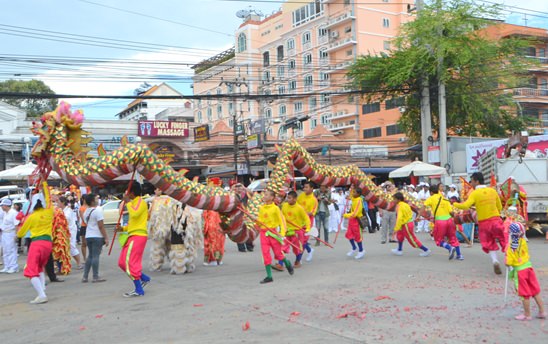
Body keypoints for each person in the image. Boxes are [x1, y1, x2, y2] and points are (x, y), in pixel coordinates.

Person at [454, 172, 507, 275]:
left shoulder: (475, 193)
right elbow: (499, 207)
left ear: (477, 181)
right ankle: (511, 263)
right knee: (504, 240)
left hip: (484, 223)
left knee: (489, 243)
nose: (471, 183)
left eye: (472, 181)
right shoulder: (492, 191)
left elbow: (465, 206)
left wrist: (454, 204)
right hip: (496, 220)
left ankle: (495, 261)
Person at [16, 182, 53, 304]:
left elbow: (20, 234)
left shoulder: (30, 217)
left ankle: (41, 295)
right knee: (40, 268)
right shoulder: (48, 212)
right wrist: (44, 182)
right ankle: (42, 290)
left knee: (31, 271)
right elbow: (49, 197)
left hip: (36, 244)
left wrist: (20, 224)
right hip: (48, 244)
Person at [115, 183, 151, 297]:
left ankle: (139, 289)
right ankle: (144, 278)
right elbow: (133, 222)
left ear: (132, 192)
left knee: (130, 263)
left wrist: (128, 203)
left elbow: (135, 214)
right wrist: (122, 228)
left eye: (127, 191)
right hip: (132, 235)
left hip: (138, 236)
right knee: (122, 263)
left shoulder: (141, 202)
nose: (126, 193)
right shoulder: (135, 203)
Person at [506, 222, 546, 321]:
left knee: (524, 294)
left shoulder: (510, 247)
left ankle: (527, 314)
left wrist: (507, 259)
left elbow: (508, 263)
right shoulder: (523, 241)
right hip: (529, 268)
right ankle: (542, 311)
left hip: (520, 271)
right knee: (534, 291)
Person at [256, 190, 293, 284]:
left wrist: (282, 233)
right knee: (265, 254)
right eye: (264, 194)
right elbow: (260, 221)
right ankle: (269, 276)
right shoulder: (261, 208)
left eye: (267, 194)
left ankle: (287, 263)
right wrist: (256, 222)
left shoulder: (275, 208)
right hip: (264, 234)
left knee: (278, 254)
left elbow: (282, 221)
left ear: (272, 197)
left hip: (273, 233)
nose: (264, 196)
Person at [424, 184, 462, 260]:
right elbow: (451, 212)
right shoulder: (445, 199)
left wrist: (418, 216)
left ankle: (449, 248)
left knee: (438, 240)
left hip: (440, 222)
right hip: (450, 221)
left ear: (431, 192)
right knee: (453, 238)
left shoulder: (431, 198)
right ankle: (459, 255)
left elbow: (423, 206)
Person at [391, 192, 432, 257]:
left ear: (398, 199)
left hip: (406, 224)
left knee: (412, 240)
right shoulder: (406, 204)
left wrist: (396, 228)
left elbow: (399, 218)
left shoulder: (400, 206)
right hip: (405, 223)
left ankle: (426, 250)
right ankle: (399, 249)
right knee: (400, 236)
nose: (393, 200)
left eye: (394, 199)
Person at [81, 193, 108, 283]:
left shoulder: (86, 212)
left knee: (90, 256)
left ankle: (85, 276)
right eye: (96, 199)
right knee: (96, 256)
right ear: (92, 201)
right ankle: (95, 276)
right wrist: (106, 237)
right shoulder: (97, 211)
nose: (98, 200)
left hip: (88, 235)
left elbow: (86, 222)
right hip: (97, 235)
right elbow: (101, 226)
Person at [281, 191, 310, 268]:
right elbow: (281, 216)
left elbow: (306, 218)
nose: (288, 199)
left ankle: (297, 261)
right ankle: (280, 264)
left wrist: (308, 228)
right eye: (288, 197)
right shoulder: (284, 206)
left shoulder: (300, 208)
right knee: (281, 247)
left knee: (297, 249)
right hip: (287, 231)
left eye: (290, 198)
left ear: (295, 199)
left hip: (296, 231)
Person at [59, 196, 83, 270]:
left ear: (62, 202)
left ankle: (79, 263)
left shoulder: (68, 210)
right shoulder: (62, 210)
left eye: (58, 202)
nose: (57, 204)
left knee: (72, 246)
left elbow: (66, 219)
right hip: (65, 230)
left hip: (71, 230)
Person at [297, 181, 317, 262]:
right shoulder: (301, 196)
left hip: (308, 222)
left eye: (306, 187)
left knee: (304, 240)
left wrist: (304, 213)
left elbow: (312, 212)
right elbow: (296, 205)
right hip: (299, 221)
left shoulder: (314, 200)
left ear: (312, 188)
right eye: (304, 187)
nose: (304, 189)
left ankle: (299, 259)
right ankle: (309, 250)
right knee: (299, 239)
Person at [344, 187, 365, 260]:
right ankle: (354, 247)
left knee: (357, 236)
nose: (353, 193)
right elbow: (351, 197)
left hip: (357, 220)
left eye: (354, 192)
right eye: (353, 192)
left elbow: (355, 213)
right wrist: (350, 192)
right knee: (349, 234)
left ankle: (361, 250)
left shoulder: (359, 201)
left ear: (358, 194)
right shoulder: (354, 198)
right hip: (351, 220)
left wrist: (346, 215)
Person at [1, 199, 20, 273]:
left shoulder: (13, 213)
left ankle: (13, 267)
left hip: (11, 233)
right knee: (5, 250)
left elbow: (16, 225)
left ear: (6, 205)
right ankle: (7, 266)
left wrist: (16, 235)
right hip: (4, 233)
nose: (2, 207)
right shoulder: (5, 213)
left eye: (2, 205)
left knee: (11, 250)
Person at [233, 183, 254, 252]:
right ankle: (241, 247)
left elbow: (252, 194)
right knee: (239, 231)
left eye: (240, 187)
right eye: (237, 187)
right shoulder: (233, 195)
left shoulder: (245, 194)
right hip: (237, 214)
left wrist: (244, 188)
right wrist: (232, 188)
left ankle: (249, 246)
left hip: (246, 214)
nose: (239, 188)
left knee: (247, 230)